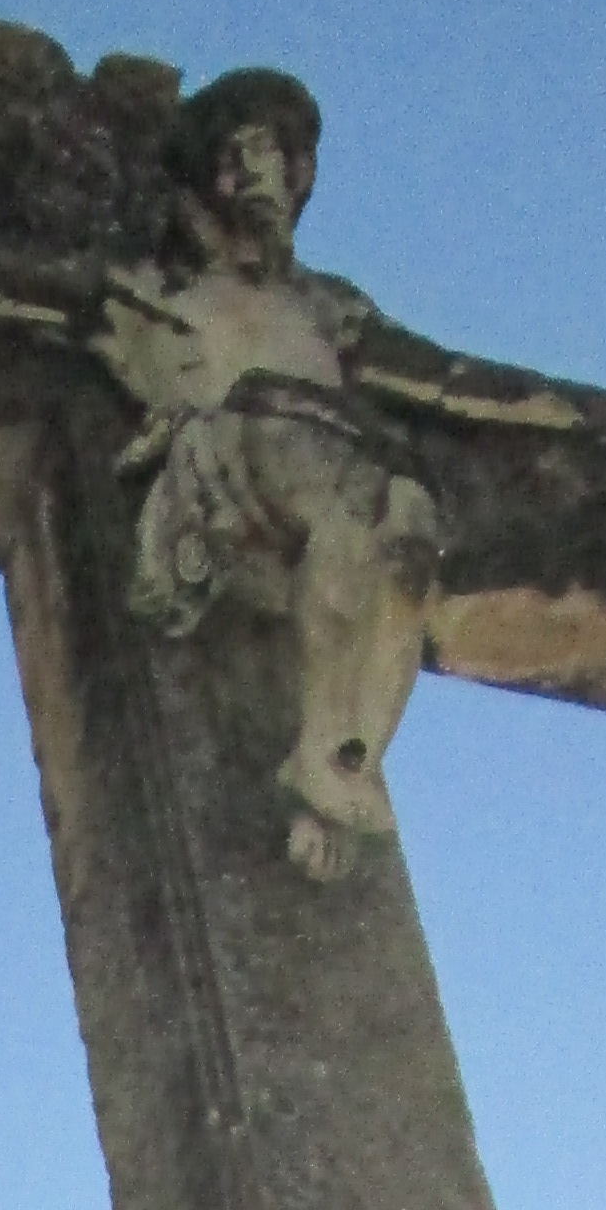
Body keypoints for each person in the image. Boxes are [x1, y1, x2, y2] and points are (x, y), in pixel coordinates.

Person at [91, 71, 445, 881]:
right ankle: (325, 766)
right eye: (239, 158)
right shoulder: (155, 291)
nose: (261, 178)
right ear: (200, 184)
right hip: (247, 446)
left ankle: (341, 763)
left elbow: (437, 379)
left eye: (278, 159)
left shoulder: (328, 306)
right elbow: (5, 292)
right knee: (351, 518)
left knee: (412, 529)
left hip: (339, 447)